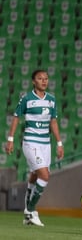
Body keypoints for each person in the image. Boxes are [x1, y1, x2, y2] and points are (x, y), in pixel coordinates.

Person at [5, 69, 64, 226]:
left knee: (34, 176)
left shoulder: (51, 100)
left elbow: (53, 122)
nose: (44, 81)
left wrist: (59, 143)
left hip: (46, 144)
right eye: (40, 78)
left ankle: (27, 215)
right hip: (31, 142)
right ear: (33, 81)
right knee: (44, 176)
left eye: (46, 78)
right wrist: (10, 139)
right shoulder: (26, 99)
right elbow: (16, 118)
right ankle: (31, 211)